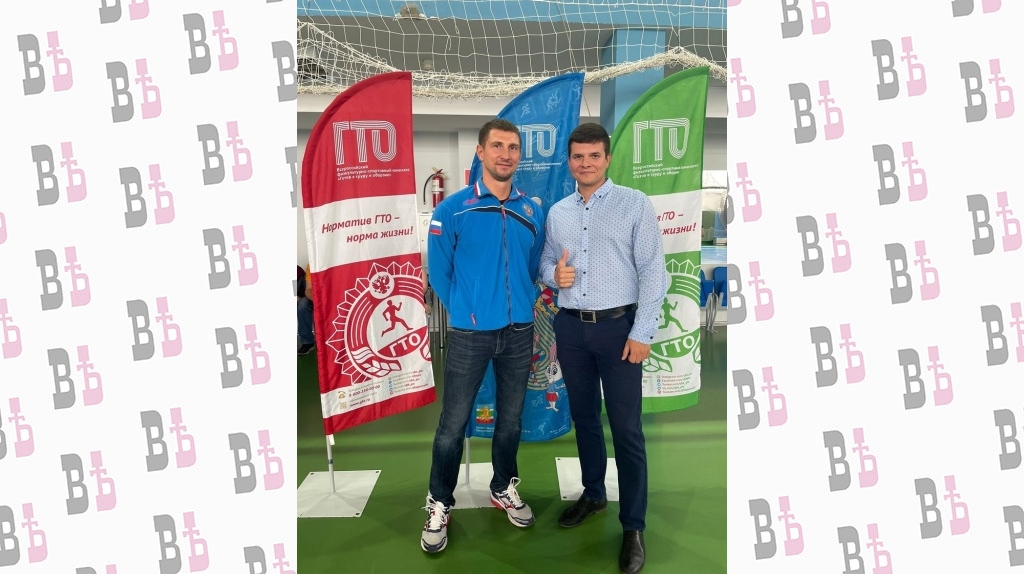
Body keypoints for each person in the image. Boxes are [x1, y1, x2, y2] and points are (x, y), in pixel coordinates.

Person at [539, 122, 667, 574]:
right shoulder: (558, 213)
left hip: (619, 331)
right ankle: (594, 494)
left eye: (594, 155)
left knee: (627, 429)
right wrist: (554, 276)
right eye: (578, 156)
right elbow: (545, 263)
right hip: (571, 329)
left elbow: (654, 271)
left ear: (607, 158)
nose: (586, 163)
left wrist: (642, 332)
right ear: (569, 161)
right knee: (585, 418)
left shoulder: (634, 203)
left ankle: (633, 526)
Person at [420, 118, 546, 553]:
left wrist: (521, 303)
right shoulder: (453, 209)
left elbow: (532, 267)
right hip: (470, 334)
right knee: (452, 425)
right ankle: (439, 501)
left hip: (519, 332)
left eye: (513, 147)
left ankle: (502, 486)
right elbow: (440, 273)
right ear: (480, 152)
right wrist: (467, 311)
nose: (505, 154)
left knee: (510, 420)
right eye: (497, 146)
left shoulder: (531, 210)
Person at [297, 265, 315, 355]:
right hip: (315, 299)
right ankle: (307, 342)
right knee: (303, 304)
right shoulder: (311, 265)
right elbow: (308, 290)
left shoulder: (297, 270)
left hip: (336, 298)